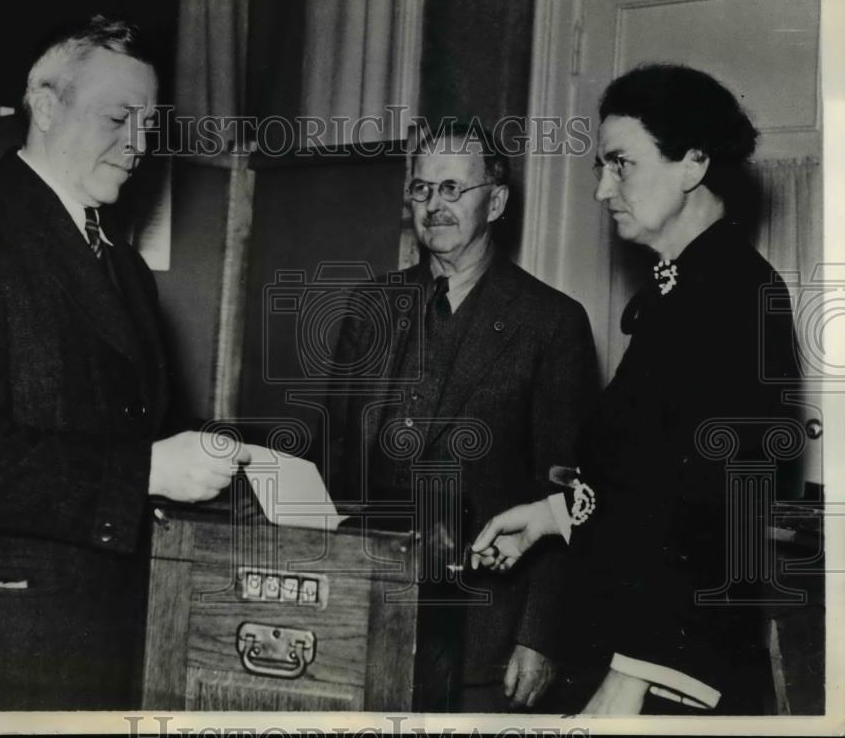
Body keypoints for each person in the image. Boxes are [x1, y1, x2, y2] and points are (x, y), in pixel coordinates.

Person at [0, 15, 247, 710]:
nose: (137, 144)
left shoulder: (123, 266)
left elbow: (131, 426)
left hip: (97, 630)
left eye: (148, 123)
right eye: (118, 116)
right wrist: (149, 470)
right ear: (45, 107)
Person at [471, 64, 802, 715]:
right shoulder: (680, 293)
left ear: (693, 163)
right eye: (601, 166)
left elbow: (723, 507)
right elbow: (654, 477)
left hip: (672, 669)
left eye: (621, 164)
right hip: (633, 650)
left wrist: (633, 678)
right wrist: (550, 516)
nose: (601, 189)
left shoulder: (735, 295)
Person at [323, 123, 600, 712]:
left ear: (495, 201)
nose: (434, 206)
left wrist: (539, 636)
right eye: (422, 190)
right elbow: (332, 459)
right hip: (367, 609)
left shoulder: (551, 323)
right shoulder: (369, 308)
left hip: (486, 633)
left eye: (453, 188)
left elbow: (566, 491)